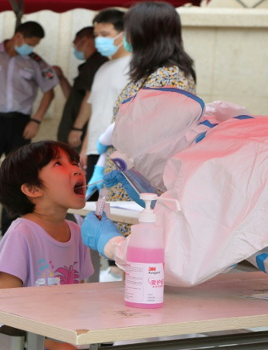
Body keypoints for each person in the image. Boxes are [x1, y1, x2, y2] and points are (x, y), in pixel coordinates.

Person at [81, 86, 268, 347]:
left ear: (150, 154)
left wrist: (111, 243)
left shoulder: (210, 164)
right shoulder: (236, 135)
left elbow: (174, 260)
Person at [95, 1, 197, 235]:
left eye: (130, 29)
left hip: (141, 185)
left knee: (137, 257)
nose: (127, 35)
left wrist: (109, 137)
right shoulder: (155, 72)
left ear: (145, 33)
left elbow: (145, 131)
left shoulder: (168, 76)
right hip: (129, 179)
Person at [0, 21, 59, 240]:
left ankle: (10, 225)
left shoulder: (34, 61)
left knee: (15, 176)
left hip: (21, 123)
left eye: (35, 45)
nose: (31, 48)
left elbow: (49, 91)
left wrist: (36, 120)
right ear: (18, 36)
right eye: (30, 43)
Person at [0, 140, 94, 350]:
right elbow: (4, 306)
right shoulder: (22, 233)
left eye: (75, 162)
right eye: (59, 164)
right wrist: (49, 344)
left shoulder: (77, 231)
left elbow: (81, 298)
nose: (76, 169)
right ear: (32, 189)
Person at [75, 9, 131, 198]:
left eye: (105, 35)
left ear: (125, 34)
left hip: (118, 152)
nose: (99, 40)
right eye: (97, 35)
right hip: (94, 151)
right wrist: (85, 148)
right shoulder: (102, 68)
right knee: (92, 208)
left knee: (112, 208)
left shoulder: (136, 67)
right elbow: (96, 111)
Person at [52, 27, 108, 151]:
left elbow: (90, 97)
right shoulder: (88, 65)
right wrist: (61, 79)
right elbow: (74, 98)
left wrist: (77, 128)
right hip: (74, 133)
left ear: (85, 40)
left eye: (75, 43)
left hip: (80, 136)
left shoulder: (95, 64)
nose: (75, 47)